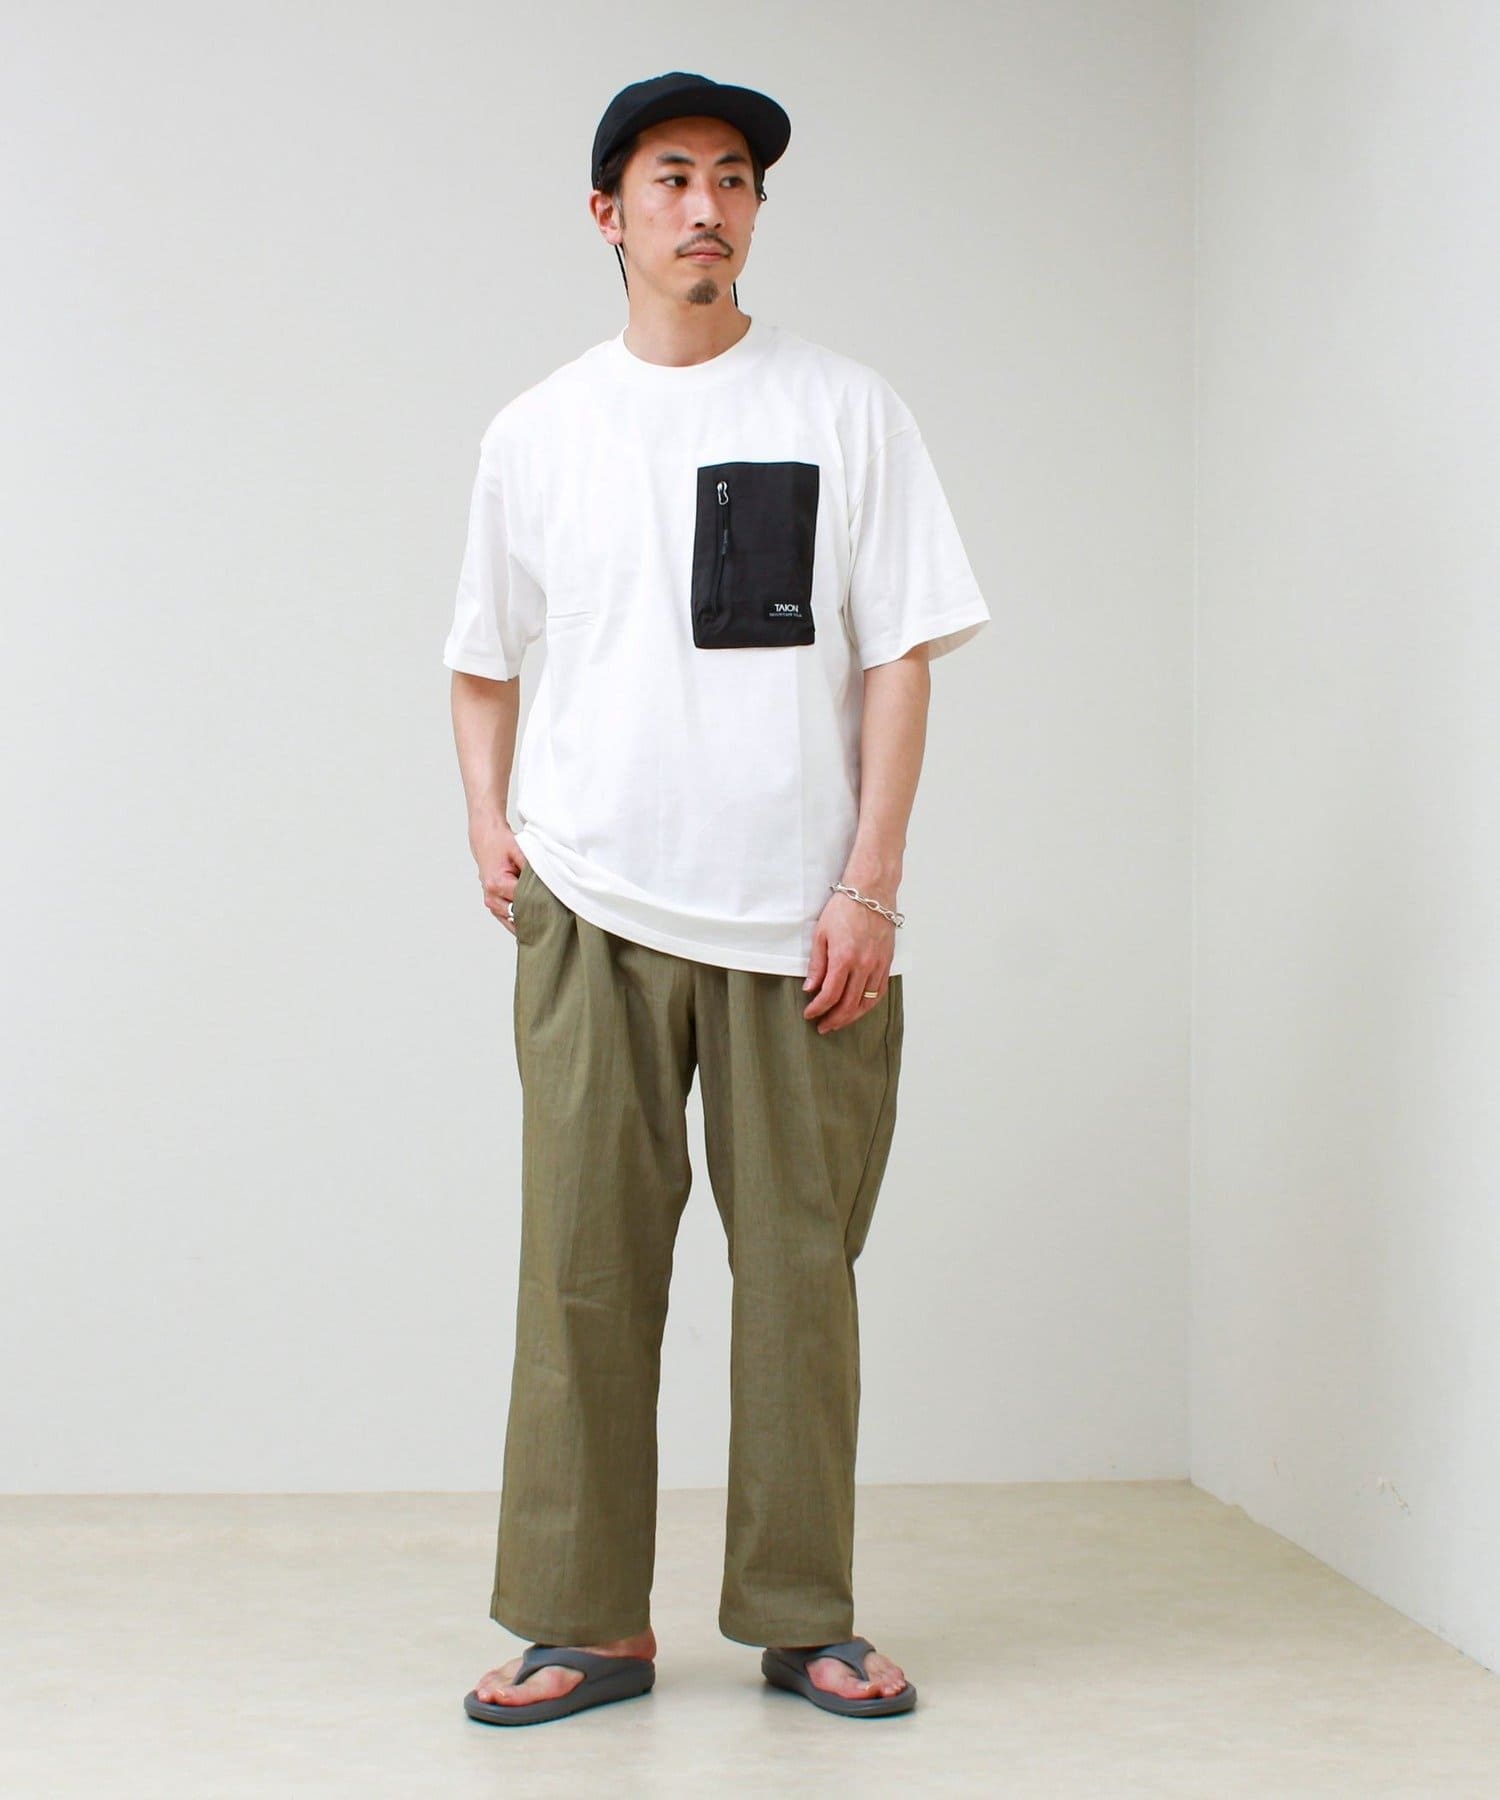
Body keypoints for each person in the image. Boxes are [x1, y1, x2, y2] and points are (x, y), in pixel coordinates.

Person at [446, 72, 990, 1726]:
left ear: (756, 208)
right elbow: (482, 658)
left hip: (798, 922)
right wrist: (489, 826)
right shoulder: (538, 431)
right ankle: (583, 1621)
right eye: (672, 177)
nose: (706, 206)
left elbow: (900, 656)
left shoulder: (846, 408)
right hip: (593, 908)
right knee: (581, 1273)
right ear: (608, 213)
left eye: (734, 177)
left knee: (802, 1282)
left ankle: (803, 1613)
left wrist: (871, 888)